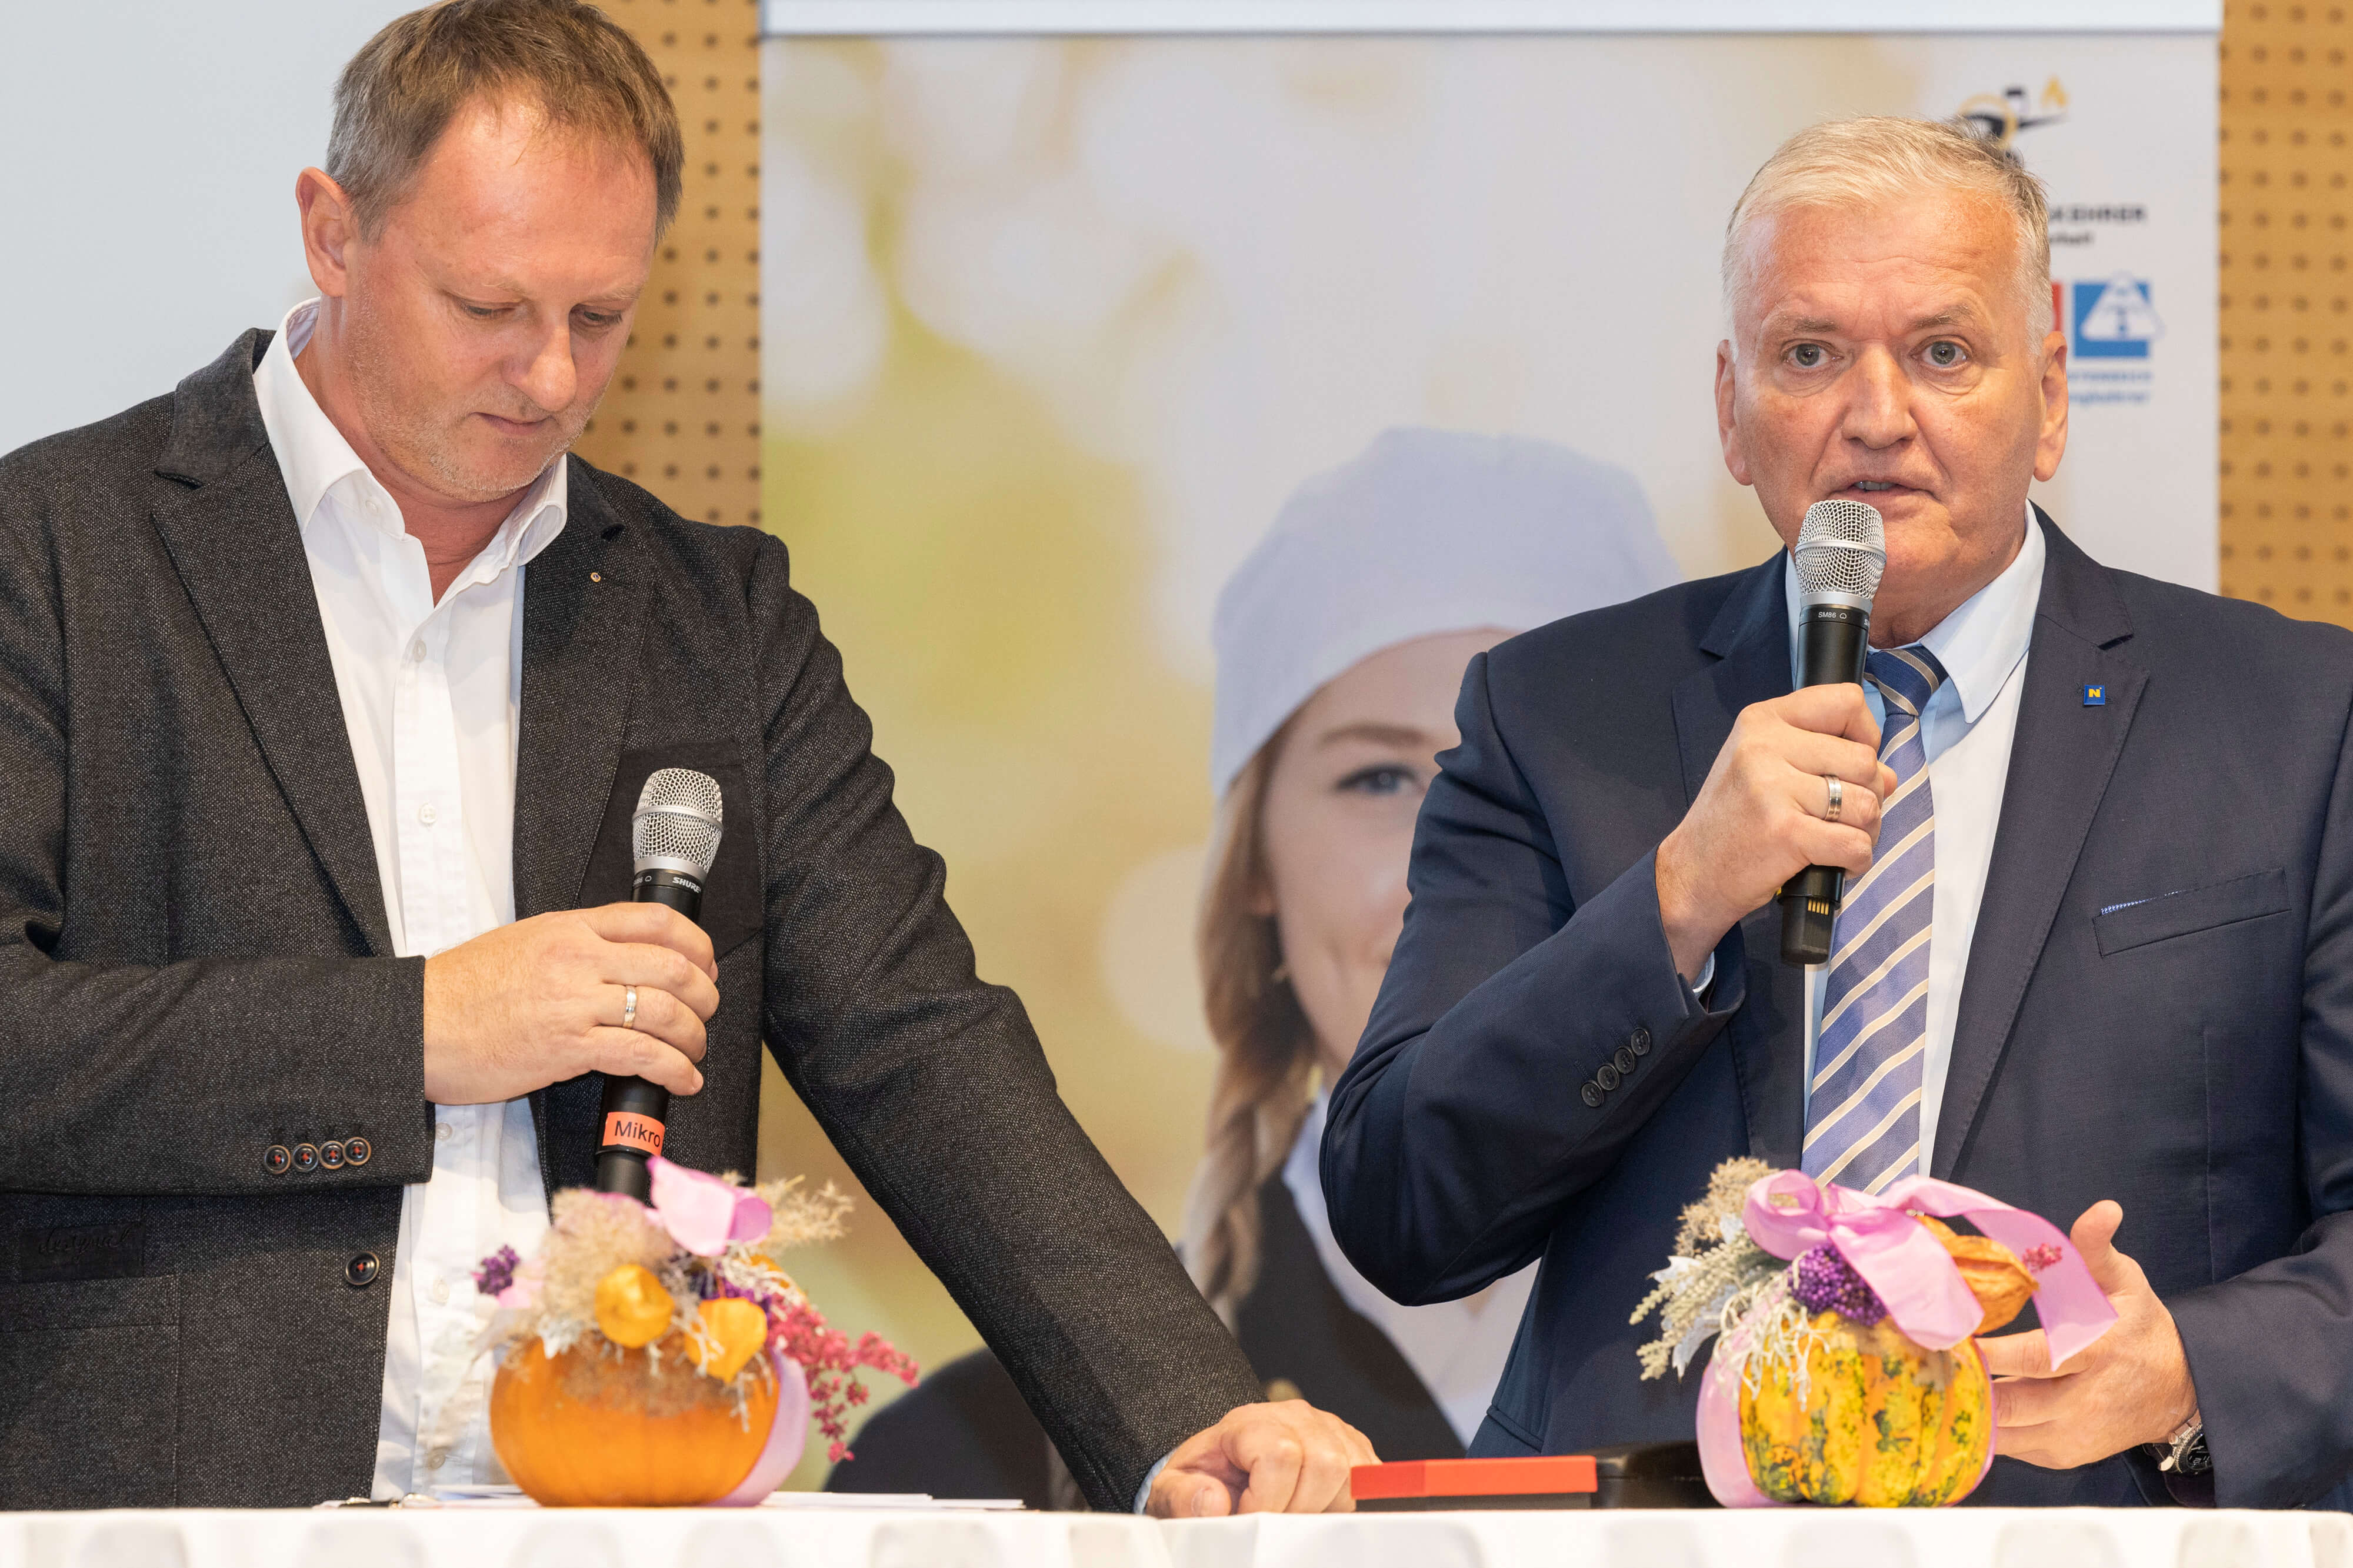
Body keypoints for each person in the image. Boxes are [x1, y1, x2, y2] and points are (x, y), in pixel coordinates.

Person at [0, 0, 1370, 1514]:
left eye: (599, 318)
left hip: (620, 1515)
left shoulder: (715, 615)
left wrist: (1181, 1412)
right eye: (488, 305)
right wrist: (419, 1028)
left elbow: (919, 1040)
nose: (548, 375)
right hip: (160, 1518)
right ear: (332, 232)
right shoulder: (51, 550)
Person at [1325, 115, 2353, 1510]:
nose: (1874, 415)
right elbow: (1399, 1206)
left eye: (1941, 351)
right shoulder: (1554, 715)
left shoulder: (2294, 721)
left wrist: (2189, 1373)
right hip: (1650, 1534)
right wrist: (1675, 899)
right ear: (1730, 408)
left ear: (2049, 394)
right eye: (1808, 354)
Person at [829, 428, 1680, 1506]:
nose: (1454, 870)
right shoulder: (969, 1465)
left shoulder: (1811, 1387)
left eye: (1531, 781)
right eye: (1379, 778)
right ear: (1256, 864)